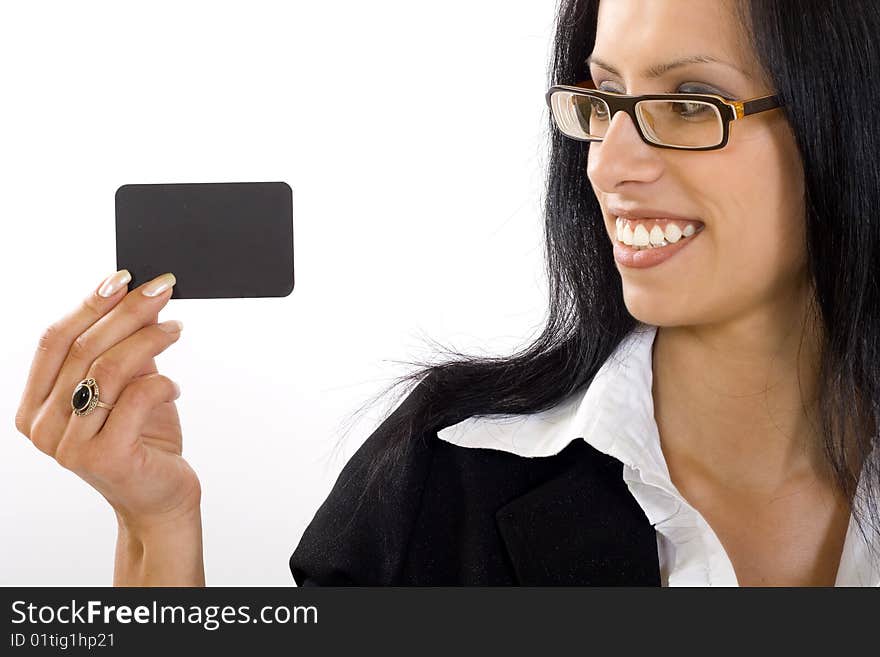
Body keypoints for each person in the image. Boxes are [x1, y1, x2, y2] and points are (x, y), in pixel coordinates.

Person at [15, 0, 880, 586]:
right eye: (605, 98)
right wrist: (157, 528)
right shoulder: (436, 486)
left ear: (844, 116)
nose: (609, 164)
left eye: (692, 101)